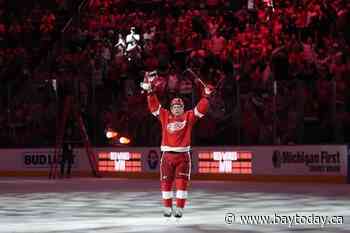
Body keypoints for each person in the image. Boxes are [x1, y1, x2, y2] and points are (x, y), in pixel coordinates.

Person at [140, 72, 214, 218]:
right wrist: (150, 91)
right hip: (167, 156)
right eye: (174, 106)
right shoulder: (165, 116)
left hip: (183, 157)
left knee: (181, 184)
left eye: (179, 106)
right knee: (165, 184)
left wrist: (206, 96)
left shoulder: (188, 117)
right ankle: (167, 208)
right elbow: (154, 106)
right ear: (171, 107)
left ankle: (179, 208)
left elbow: (201, 109)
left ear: (182, 107)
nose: (177, 109)